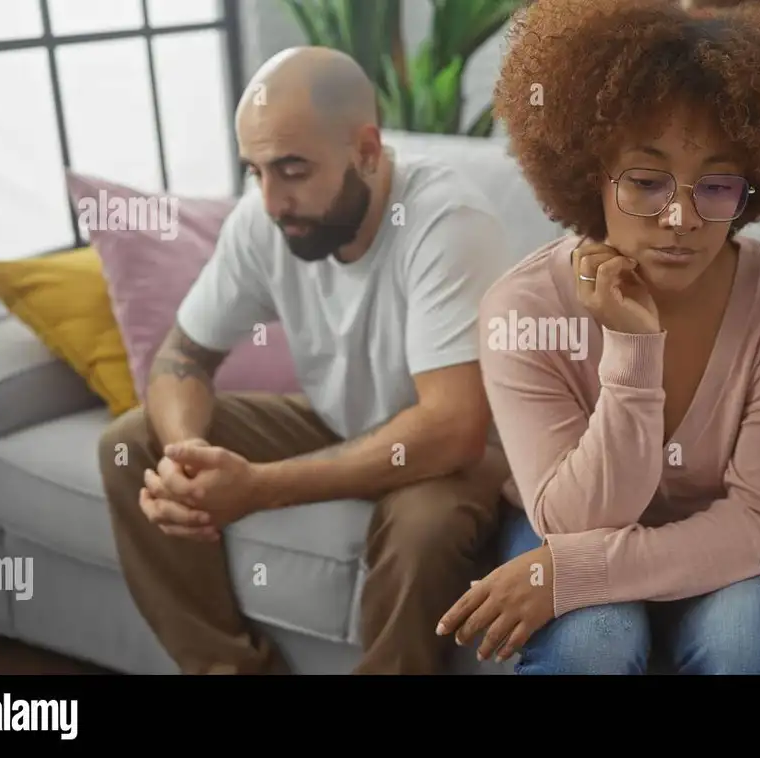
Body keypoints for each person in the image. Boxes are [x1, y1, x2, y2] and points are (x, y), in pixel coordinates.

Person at [436, 0, 760, 673]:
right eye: (645, 180)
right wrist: (632, 353)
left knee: (747, 649)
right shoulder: (523, 307)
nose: (681, 217)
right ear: (586, 170)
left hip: (732, 540)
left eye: (717, 184)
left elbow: (759, 519)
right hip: (575, 523)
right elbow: (573, 525)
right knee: (591, 649)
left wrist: (571, 576)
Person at [98, 46, 513, 675]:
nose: (270, 200)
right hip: (341, 419)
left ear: (367, 151)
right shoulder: (264, 220)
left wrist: (259, 488)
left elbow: (454, 428)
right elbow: (182, 355)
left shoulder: (442, 220)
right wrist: (190, 458)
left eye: (292, 169)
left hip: (460, 450)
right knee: (131, 443)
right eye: (254, 171)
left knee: (424, 531)